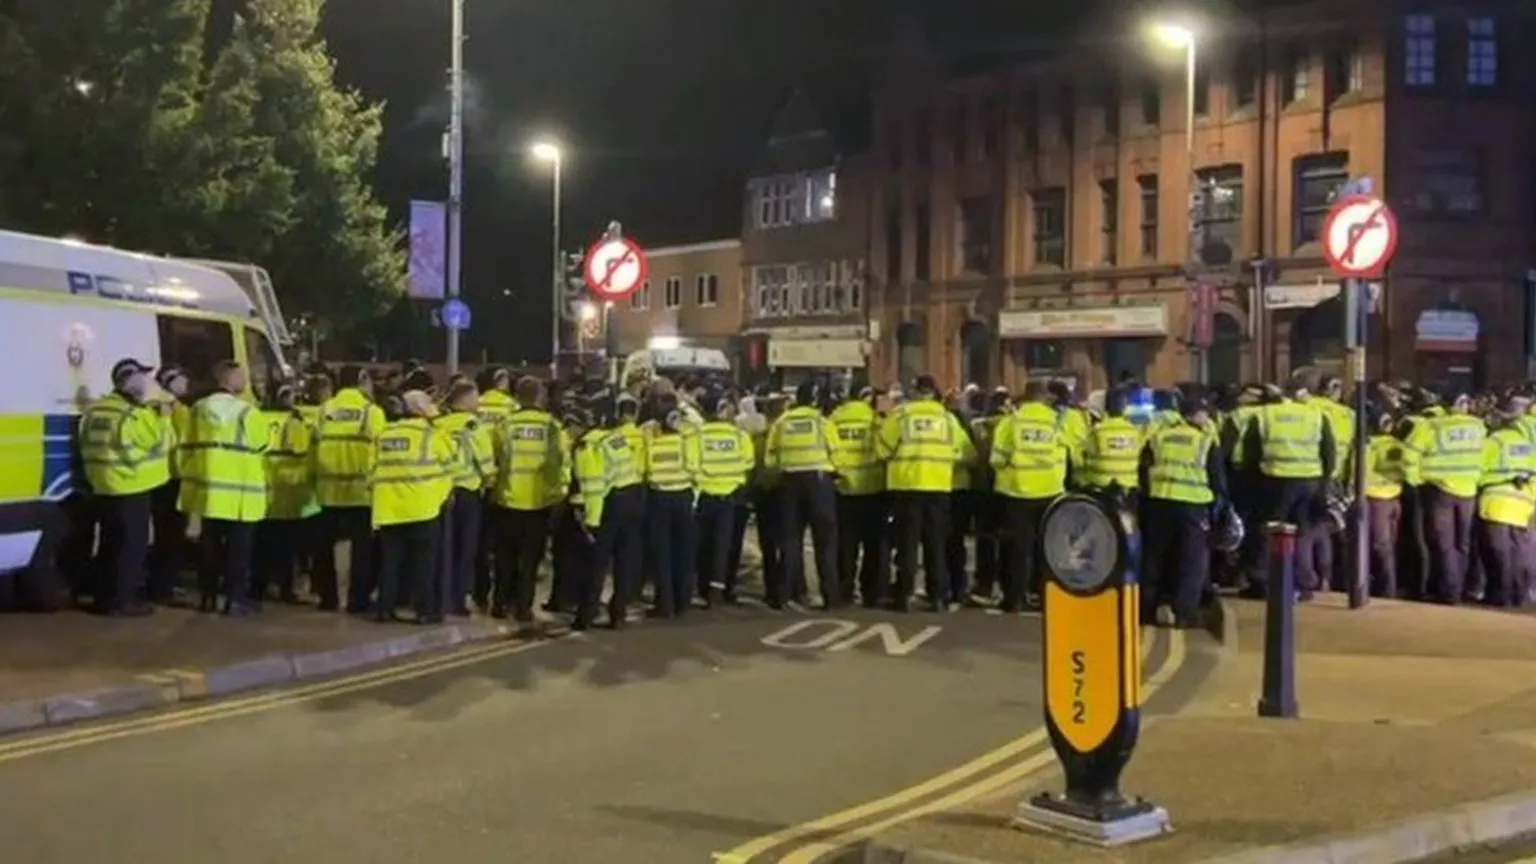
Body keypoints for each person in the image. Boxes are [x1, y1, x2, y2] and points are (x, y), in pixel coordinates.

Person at [78, 358, 171, 616]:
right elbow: (160, 445)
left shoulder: (96, 409)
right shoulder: (135, 414)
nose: (149, 382)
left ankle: (104, 598)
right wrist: (163, 419)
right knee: (131, 547)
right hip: (131, 486)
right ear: (132, 381)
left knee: (109, 544)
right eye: (145, 377)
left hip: (102, 486)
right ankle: (124, 601)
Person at [179, 360, 269, 615]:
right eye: (241, 376)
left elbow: (187, 443)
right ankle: (234, 600)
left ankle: (207, 598)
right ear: (228, 379)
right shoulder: (246, 412)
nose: (245, 381)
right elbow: (262, 444)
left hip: (208, 491)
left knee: (210, 547)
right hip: (241, 493)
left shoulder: (198, 408)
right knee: (238, 551)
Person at [877, 374, 972, 612]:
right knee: (935, 544)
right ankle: (937, 596)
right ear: (934, 392)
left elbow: (882, 450)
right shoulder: (947, 418)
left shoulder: (901, 415)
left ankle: (904, 595)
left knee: (907, 544)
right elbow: (964, 452)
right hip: (938, 487)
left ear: (915, 391)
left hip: (907, 486)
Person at [1239, 378, 1335, 599]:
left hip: (1275, 479)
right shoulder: (1316, 416)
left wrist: (1252, 482)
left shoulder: (1265, 415)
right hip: (1310, 480)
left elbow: (1250, 454)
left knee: (1269, 531)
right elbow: (1329, 453)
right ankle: (1304, 584)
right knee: (1302, 533)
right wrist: (1323, 481)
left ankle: (1262, 582)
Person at [370, 390, 456, 623]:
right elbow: (451, 464)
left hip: (389, 509)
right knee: (423, 565)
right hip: (423, 507)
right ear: (420, 409)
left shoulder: (384, 433)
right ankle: (424, 611)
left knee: (390, 563)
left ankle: (384, 609)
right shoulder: (432, 435)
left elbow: (371, 470)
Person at [1140, 396, 1226, 627]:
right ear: (1197, 414)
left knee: (1154, 557)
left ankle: (1146, 609)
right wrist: (1220, 507)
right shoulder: (1205, 441)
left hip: (1160, 501)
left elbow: (1144, 469)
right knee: (1191, 561)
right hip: (1192, 505)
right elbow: (1217, 480)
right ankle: (1184, 613)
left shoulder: (1160, 437)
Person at [488, 376, 568, 622]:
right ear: (540, 397)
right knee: (530, 561)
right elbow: (561, 463)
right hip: (538, 503)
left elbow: (494, 458)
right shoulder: (552, 426)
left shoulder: (504, 425)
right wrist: (558, 494)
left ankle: (500, 604)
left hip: (506, 500)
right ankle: (523, 608)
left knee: (504, 560)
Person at [989, 380, 1071, 611]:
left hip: (1017, 491)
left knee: (1017, 550)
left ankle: (1014, 598)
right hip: (1050, 491)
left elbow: (996, 459)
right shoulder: (1057, 421)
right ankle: (1045, 597)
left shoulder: (1011, 422)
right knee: (1046, 549)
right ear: (1045, 398)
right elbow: (1067, 454)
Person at [313, 365, 387, 612]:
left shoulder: (324, 410)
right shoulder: (371, 412)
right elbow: (381, 451)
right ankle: (358, 600)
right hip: (359, 492)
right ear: (362, 380)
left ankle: (328, 598)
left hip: (327, 490)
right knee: (362, 551)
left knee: (323, 549)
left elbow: (314, 447)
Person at [763, 379, 839, 609]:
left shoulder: (782, 422)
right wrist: (834, 472)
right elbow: (836, 453)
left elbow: (770, 459)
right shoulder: (822, 422)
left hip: (789, 483)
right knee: (825, 543)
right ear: (815, 400)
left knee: (790, 542)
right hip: (818, 482)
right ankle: (831, 597)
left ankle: (785, 596)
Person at [1402, 389, 1483, 604]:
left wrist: (1415, 480)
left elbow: (1409, 455)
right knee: (1462, 543)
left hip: (1439, 490)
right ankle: (1461, 587)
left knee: (1444, 543)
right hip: (1469, 490)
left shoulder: (1431, 426)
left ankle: (1450, 592)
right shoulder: (1478, 426)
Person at [436, 380, 497, 617]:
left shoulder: (439, 423)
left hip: (442, 491)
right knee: (465, 550)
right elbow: (484, 460)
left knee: (445, 548)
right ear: (465, 399)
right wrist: (490, 482)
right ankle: (457, 600)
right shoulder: (472, 425)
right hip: (467, 493)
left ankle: (441, 594)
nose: (479, 402)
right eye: (476, 397)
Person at [256, 382, 320, 604]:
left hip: (263, 491)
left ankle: (258, 587)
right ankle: (285, 589)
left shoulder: (259, 417)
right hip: (289, 494)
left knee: (263, 546)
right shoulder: (294, 421)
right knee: (287, 549)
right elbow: (302, 449)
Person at [693, 391, 754, 606]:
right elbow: (748, 464)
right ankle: (716, 591)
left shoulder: (697, 436)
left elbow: (693, 465)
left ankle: (701, 587)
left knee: (702, 546)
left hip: (703, 496)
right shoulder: (738, 436)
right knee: (723, 546)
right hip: (729, 498)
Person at [644, 394, 701, 618]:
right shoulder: (687, 438)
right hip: (683, 497)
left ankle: (664, 604)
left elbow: (644, 467)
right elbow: (695, 466)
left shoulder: (649, 437)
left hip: (658, 498)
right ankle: (683, 601)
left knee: (662, 555)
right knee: (684, 552)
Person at [1474, 396, 1534, 607]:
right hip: (1522, 505)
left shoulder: (1492, 442)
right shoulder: (1527, 445)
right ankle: (1521, 595)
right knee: (1520, 553)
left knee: (1498, 553)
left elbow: (1477, 471)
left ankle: (1501, 596)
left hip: (1496, 504)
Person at [829, 385, 885, 608]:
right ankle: (872, 592)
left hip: (843, 488)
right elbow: (884, 450)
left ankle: (845, 590)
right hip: (873, 488)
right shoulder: (875, 420)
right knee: (875, 546)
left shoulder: (835, 419)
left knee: (845, 545)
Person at [1361, 409, 1406, 598]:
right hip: (1395, 498)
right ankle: (1388, 586)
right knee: (1389, 546)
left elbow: (1362, 474)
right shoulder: (1399, 444)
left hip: (1376, 499)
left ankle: (1386, 589)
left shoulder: (1369, 445)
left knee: (1379, 546)